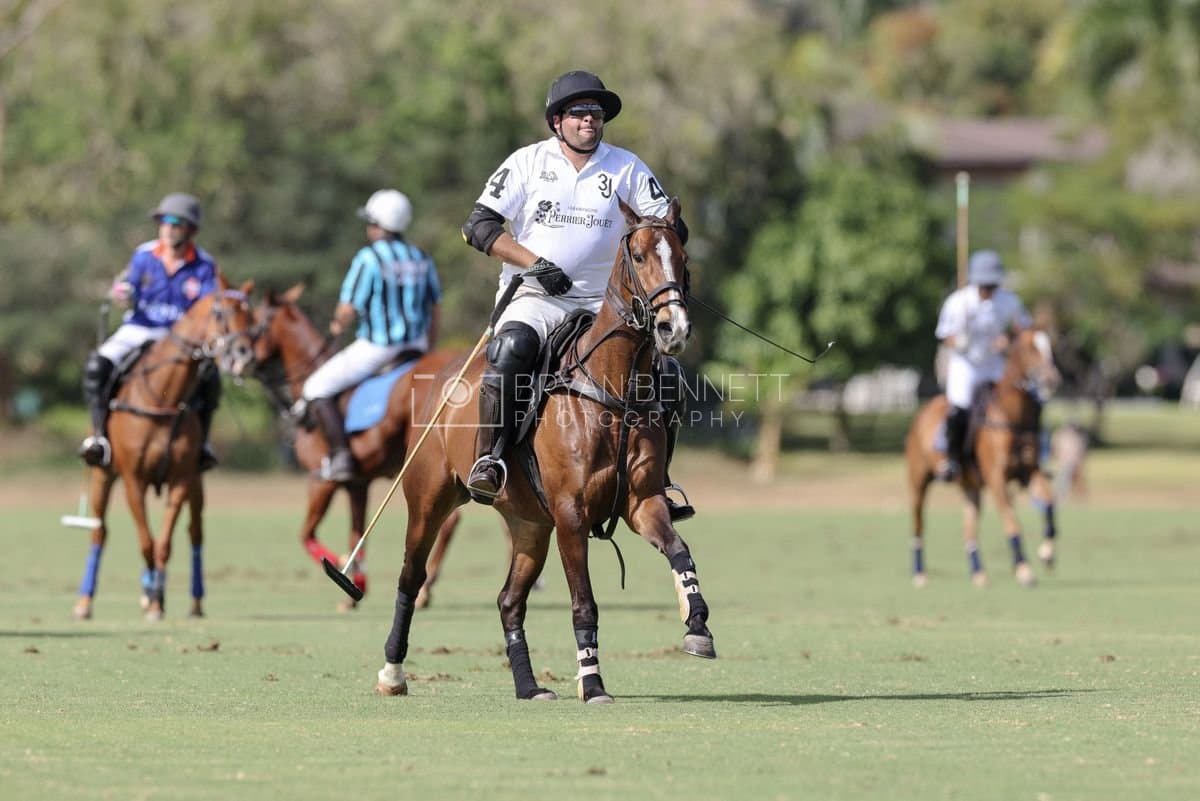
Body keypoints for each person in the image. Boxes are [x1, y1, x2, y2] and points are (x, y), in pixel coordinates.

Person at [460, 69, 693, 520]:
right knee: (512, 350)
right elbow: (479, 227)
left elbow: (669, 226)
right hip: (536, 295)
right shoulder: (527, 162)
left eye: (597, 114)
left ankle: (659, 479)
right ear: (556, 121)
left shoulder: (626, 166)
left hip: (607, 305)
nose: (590, 120)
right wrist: (537, 265)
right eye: (580, 113)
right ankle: (489, 458)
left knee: (669, 375)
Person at [300, 189, 442, 482]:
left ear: (378, 224)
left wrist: (337, 324)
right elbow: (435, 308)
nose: (368, 228)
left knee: (315, 387)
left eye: (370, 222)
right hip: (416, 348)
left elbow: (348, 308)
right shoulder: (422, 257)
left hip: (379, 347)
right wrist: (429, 347)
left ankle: (340, 457)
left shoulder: (369, 257)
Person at [79, 192, 222, 470]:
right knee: (97, 365)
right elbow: (128, 286)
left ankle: (202, 443)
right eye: (163, 221)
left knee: (211, 378)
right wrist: (121, 293)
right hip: (139, 328)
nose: (167, 227)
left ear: (190, 229)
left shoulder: (204, 265)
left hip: (179, 339)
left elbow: (207, 306)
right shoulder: (144, 254)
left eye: (175, 222)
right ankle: (99, 437)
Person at [933, 249, 1031, 480]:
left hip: (995, 364)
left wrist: (1008, 339)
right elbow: (945, 335)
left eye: (992, 285)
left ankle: (1031, 455)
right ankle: (952, 458)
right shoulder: (958, 302)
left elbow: (1024, 330)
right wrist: (960, 341)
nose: (988, 290)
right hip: (966, 365)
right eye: (984, 285)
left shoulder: (1009, 301)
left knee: (1025, 400)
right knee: (959, 407)